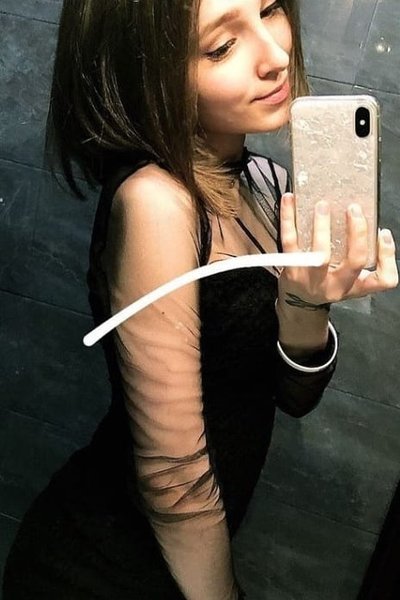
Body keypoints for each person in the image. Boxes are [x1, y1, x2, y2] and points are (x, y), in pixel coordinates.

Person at [3, 1, 398, 599]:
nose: (276, 55)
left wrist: (305, 303)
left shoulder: (267, 185)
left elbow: (293, 397)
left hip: (183, 558)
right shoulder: (158, 202)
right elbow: (174, 481)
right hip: (102, 569)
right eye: (221, 46)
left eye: (270, 8)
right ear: (149, 73)